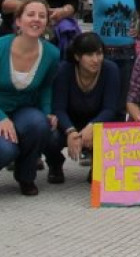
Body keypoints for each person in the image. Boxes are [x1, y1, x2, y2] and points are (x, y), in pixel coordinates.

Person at [0, 0, 60, 196]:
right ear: (18, 21)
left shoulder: (51, 54)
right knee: (5, 150)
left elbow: (45, 87)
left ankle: (26, 177)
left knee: (40, 125)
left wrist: (47, 111)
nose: (36, 20)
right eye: (30, 15)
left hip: (21, 110)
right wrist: (0, 118)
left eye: (42, 16)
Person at [45, 32, 121, 183]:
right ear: (77, 56)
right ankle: (55, 163)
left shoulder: (111, 69)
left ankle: (98, 165)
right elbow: (58, 108)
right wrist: (71, 132)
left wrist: (92, 127)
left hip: (98, 121)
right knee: (48, 134)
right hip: (69, 122)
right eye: (89, 55)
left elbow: (110, 108)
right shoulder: (64, 70)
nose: (96, 60)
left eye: (99, 53)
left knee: (115, 130)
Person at [77, 0, 140, 107]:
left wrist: (138, 28)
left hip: (127, 53)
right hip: (101, 52)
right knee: (98, 100)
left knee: (121, 102)